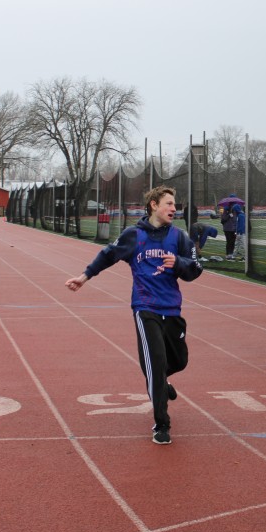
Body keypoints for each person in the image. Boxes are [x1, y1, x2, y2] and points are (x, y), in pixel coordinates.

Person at [65, 186, 202, 446]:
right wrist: (84, 277)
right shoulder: (134, 235)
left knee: (179, 361)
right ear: (154, 205)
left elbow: (195, 269)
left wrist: (179, 263)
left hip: (172, 308)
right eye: (169, 203)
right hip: (145, 307)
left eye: (175, 204)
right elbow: (108, 255)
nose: (174, 209)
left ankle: (161, 382)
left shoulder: (180, 237)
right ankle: (162, 424)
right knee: (155, 363)